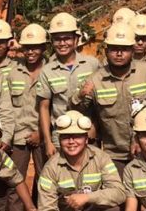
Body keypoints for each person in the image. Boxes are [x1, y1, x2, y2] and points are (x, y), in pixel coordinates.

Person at [0, 22, 48, 211]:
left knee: (44, 178)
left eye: (36, 47)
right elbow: (6, 105)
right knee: (14, 179)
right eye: (27, 47)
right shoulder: (11, 71)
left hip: (42, 134)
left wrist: (42, 134)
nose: (31, 52)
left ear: (44, 47)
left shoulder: (50, 71)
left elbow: (54, 108)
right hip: (18, 135)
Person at [79, 24, 146, 174]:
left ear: (132, 50)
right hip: (114, 155)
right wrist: (79, 97)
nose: (119, 54)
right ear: (106, 51)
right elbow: (82, 113)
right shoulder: (95, 80)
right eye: (114, 49)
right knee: (118, 196)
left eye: (124, 49)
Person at [36, 12, 99, 160]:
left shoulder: (92, 65)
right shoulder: (47, 71)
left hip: (88, 134)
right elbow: (44, 107)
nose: (62, 43)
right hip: (61, 137)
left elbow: (99, 102)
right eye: (58, 39)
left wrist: (95, 126)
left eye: (67, 38)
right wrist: (48, 141)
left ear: (76, 40)